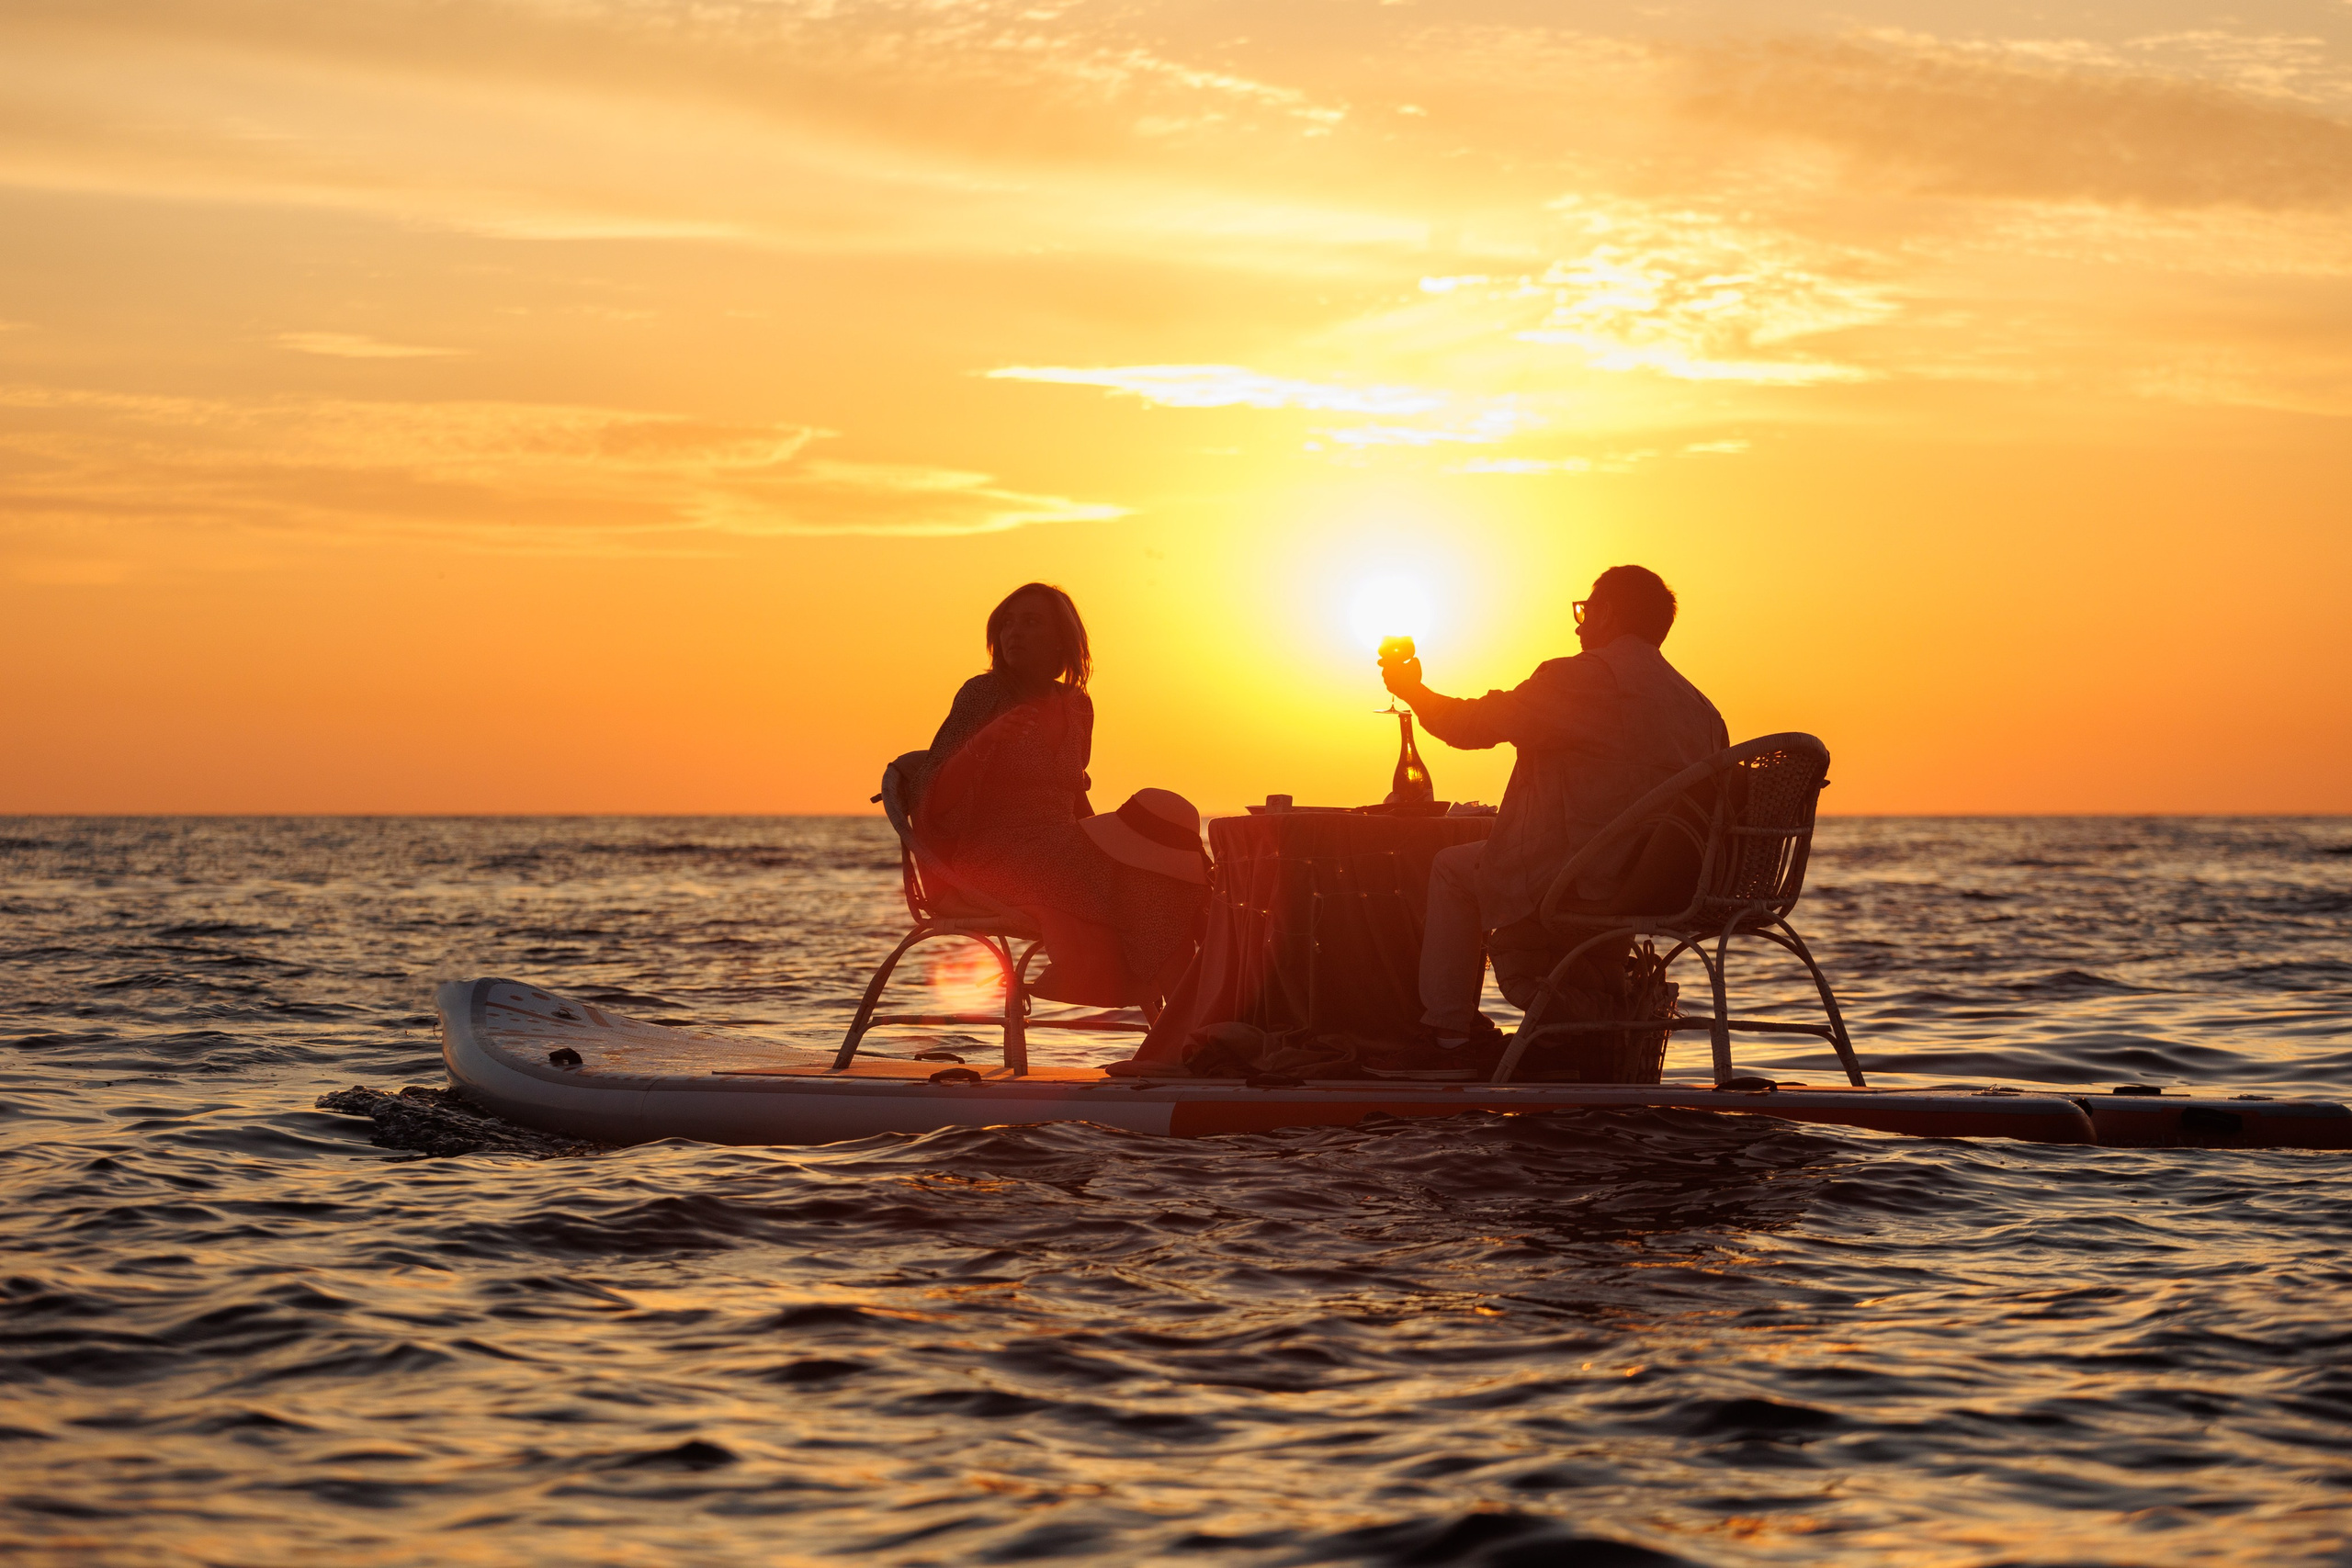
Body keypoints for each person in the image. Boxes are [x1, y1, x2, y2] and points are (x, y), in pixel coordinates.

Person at [1375, 565, 1728, 1072]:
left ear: (1607, 613)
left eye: (1586, 610)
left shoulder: (1579, 680)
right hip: (1664, 886)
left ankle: (1446, 1038)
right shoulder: (1701, 708)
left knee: (1452, 869)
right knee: (1516, 865)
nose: (1578, 625)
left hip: (1582, 878)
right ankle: (1575, 1030)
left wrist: (1413, 689)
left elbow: (1469, 726)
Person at [910, 582, 1208, 1010]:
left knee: (1159, 857)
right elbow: (933, 800)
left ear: (1061, 639)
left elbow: (1074, 796)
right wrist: (984, 742)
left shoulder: (1077, 705)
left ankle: (1182, 1020)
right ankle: (1182, 1019)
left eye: (1031, 622)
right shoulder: (983, 695)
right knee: (1154, 876)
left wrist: (1108, 843)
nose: (1014, 633)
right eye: (1007, 623)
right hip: (995, 859)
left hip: (1060, 849)